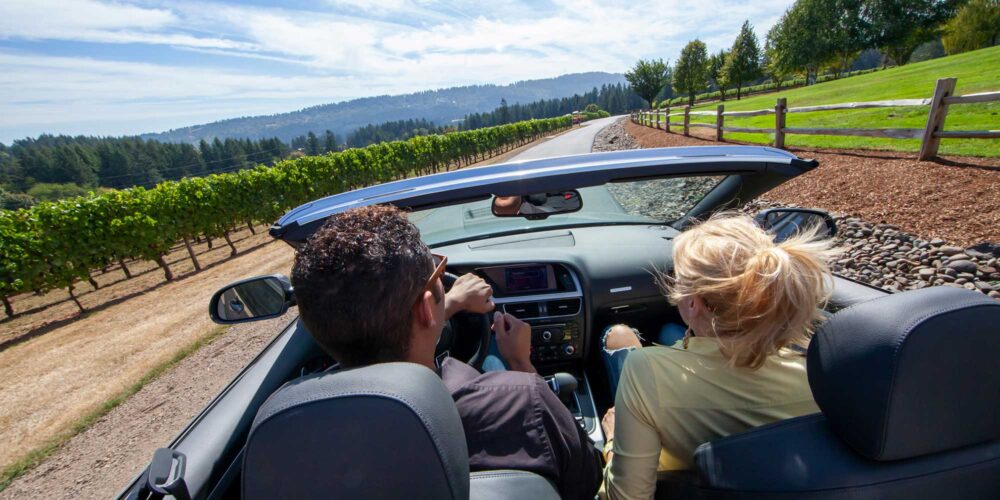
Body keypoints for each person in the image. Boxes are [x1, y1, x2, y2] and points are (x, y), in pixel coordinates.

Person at [290, 204, 602, 499]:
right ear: (427, 308)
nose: (443, 280)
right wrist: (520, 361)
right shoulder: (521, 401)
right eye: (438, 271)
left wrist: (450, 303)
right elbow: (588, 479)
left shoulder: (298, 433)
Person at [600, 212, 838, 499]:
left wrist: (612, 442)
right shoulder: (823, 364)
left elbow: (626, 497)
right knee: (667, 332)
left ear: (692, 304)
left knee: (619, 337)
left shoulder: (645, 369)